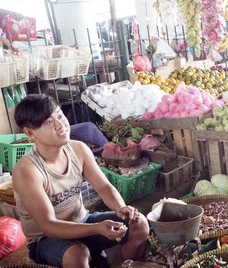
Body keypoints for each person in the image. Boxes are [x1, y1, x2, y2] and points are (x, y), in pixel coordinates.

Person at [12, 94, 150, 268]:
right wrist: (97, 228)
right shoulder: (27, 171)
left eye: (60, 115)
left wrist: (121, 208)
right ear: (31, 133)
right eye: (48, 122)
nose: (60, 124)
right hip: (46, 238)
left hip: (82, 221)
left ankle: (126, 265)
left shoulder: (78, 149)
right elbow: (48, 225)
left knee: (139, 224)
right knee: (77, 254)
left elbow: (104, 187)